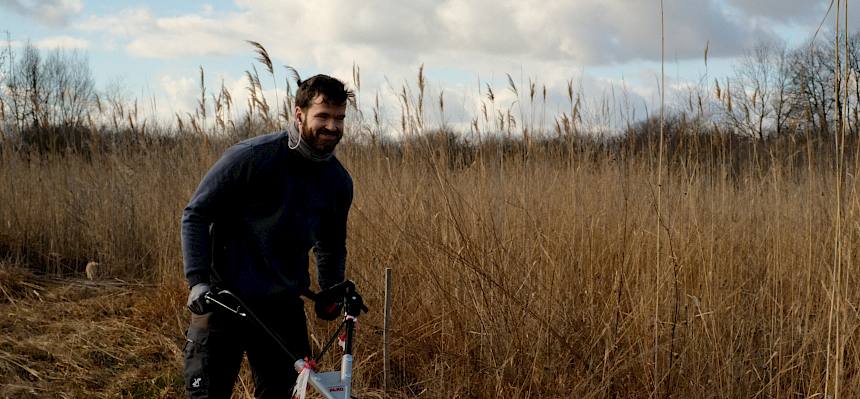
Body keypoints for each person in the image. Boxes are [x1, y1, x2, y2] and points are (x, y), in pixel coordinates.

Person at [180, 74, 354, 398]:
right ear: (299, 114)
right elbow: (196, 214)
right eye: (323, 116)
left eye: (339, 118)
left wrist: (331, 289)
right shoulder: (251, 158)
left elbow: (330, 245)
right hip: (223, 301)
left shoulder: (337, 182)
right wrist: (197, 280)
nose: (332, 126)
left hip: (282, 308)